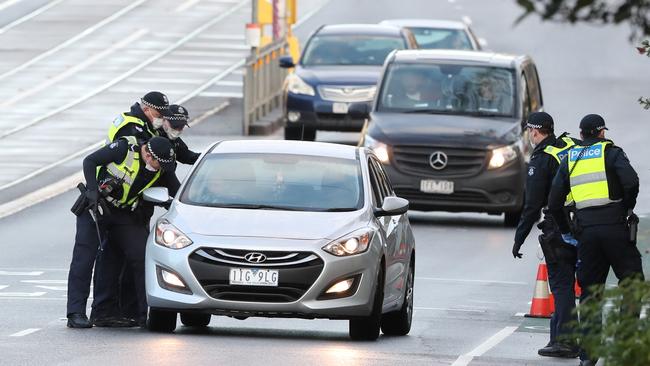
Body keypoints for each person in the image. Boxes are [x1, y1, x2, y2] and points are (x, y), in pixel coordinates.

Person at [547, 114, 644, 366]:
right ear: (601, 133)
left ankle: (589, 356)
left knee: (590, 294)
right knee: (632, 285)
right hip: (615, 228)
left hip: (586, 233)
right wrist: (626, 207)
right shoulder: (611, 152)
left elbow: (554, 201)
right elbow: (631, 182)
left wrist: (567, 229)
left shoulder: (570, 158)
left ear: (581, 135)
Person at [66, 136, 180, 328]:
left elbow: (176, 190)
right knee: (84, 258)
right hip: (97, 207)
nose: (160, 169)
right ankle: (75, 313)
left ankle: (144, 315)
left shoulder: (162, 166)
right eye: (158, 164)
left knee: (141, 255)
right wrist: (92, 190)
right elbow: (90, 161)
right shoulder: (123, 148)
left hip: (124, 213)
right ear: (149, 155)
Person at [511, 112, 580, 358]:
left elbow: (532, 205)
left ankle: (565, 341)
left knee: (561, 285)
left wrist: (519, 238)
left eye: (530, 131)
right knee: (588, 286)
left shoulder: (541, 158)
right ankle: (574, 338)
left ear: (535, 131)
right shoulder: (570, 145)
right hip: (587, 222)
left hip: (559, 225)